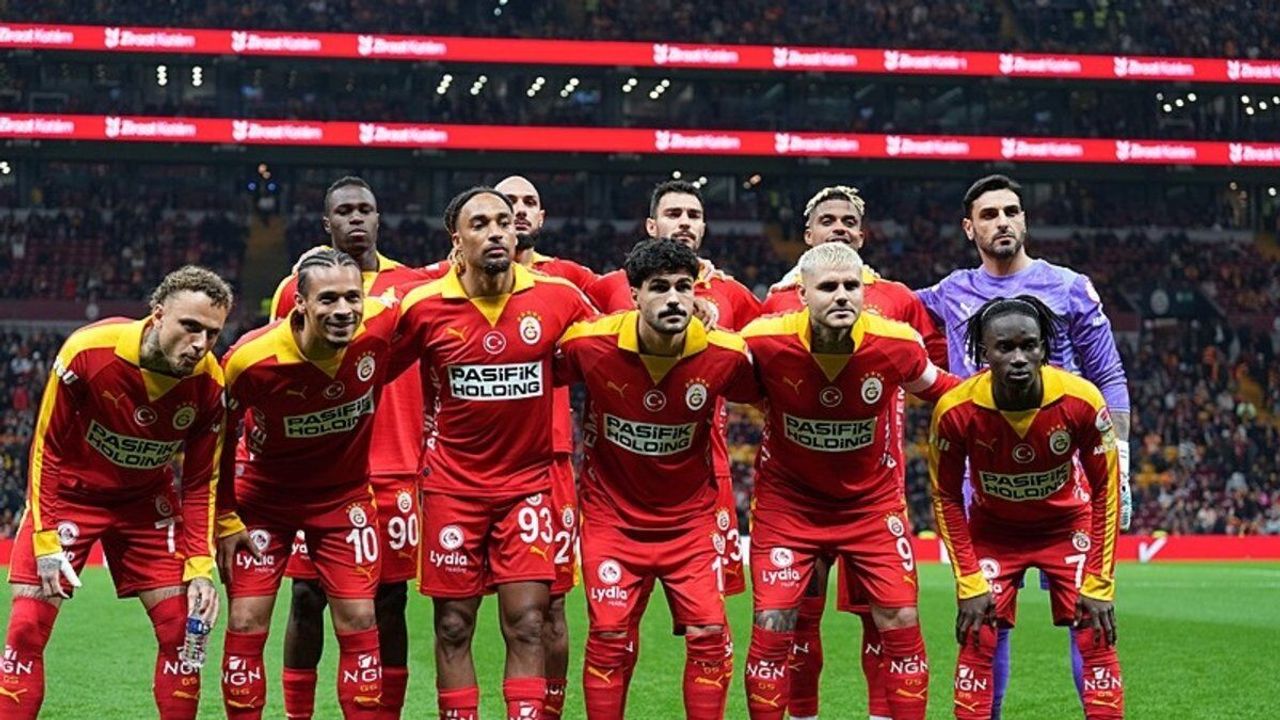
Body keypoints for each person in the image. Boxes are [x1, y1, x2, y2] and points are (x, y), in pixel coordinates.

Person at [916, 174, 1131, 717]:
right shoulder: (950, 292)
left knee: (1092, 622)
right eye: (989, 214)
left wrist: (1121, 459)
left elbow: (1109, 375)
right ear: (970, 228)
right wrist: (813, 271)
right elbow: (884, 307)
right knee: (987, 626)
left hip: (1064, 477)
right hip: (983, 486)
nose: (1003, 222)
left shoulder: (1070, 287)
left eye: (1012, 211)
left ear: (1025, 220)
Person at [395, 187, 594, 720]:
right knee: (453, 625)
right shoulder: (423, 307)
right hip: (451, 488)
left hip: (527, 488)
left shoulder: (558, 298)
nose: (496, 232)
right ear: (456, 239)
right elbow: (370, 369)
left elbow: (613, 339)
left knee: (528, 623)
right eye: (480, 224)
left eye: (503, 221)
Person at [2, 266, 233, 720]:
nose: (201, 344)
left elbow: (200, 481)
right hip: (70, 496)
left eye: (212, 333)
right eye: (190, 326)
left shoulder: (210, 383)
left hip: (147, 505)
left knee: (180, 634)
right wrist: (45, 538)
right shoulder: (88, 351)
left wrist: (200, 566)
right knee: (26, 630)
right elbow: (46, 447)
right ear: (158, 314)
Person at [741, 242, 957, 720]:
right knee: (774, 623)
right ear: (802, 294)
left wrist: (1001, 395)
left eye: (851, 286)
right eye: (828, 287)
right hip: (787, 508)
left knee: (901, 619)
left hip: (871, 508)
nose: (842, 295)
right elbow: (715, 372)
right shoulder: (762, 341)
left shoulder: (897, 342)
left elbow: (941, 389)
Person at [557, 239, 756, 719]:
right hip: (612, 521)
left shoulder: (726, 353)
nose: (673, 298)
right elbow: (535, 374)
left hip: (690, 524)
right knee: (608, 635)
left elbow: (778, 392)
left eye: (683, 287)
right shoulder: (588, 344)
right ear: (634, 295)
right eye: (659, 287)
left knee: (709, 633)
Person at [267, 176, 436, 720]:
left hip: (394, 466)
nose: (356, 218)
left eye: (366, 209)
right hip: (317, 473)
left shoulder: (413, 287)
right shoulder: (294, 288)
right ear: (328, 223)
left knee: (390, 601)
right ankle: (298, 714)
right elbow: (277, 373)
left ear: (379, 218)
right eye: (345, 211)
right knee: (306, 597)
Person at [218, 249, 405, 719]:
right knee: (246, 620)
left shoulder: (382, 323)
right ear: (299, 303)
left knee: (361, 618)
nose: (343, 310)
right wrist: (223, 515)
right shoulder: (250, 360)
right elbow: (214, 438)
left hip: (344, 498)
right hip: (264, 500)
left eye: (352, 297)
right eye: (328, 299)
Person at [930, 296, 1124, 719]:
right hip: (995, 531)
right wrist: (968, 581)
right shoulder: (955, 410)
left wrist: (1099, 581)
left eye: (1028, 346)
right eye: (1005, 348)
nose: (1018, 358)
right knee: (978, 632)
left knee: (1096, 630)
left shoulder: (1081, 400)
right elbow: (945, 496)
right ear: (984, 353)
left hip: (1066, 524)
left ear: (1043, 349)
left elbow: (1107, 489)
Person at [587, 180, 761, 603]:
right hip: (618, 481)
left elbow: (772, 350)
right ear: (651, 225)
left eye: (693, 216)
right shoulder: (607, 288)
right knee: (615, 618)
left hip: (702, 475)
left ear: (704, 227)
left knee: (709, 617)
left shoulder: (733, 294)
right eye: (673, 214)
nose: (684, 222)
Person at [496, 174, 598, 719]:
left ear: (541, 217)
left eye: (529, 202)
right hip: (463, 467)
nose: (518, 210)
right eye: (507, 202)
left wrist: (699, 275)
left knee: (550, 608)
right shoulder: (449, 280)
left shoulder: (571, 280)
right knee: (454, 614)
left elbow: (636, 299)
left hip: (547, 463)